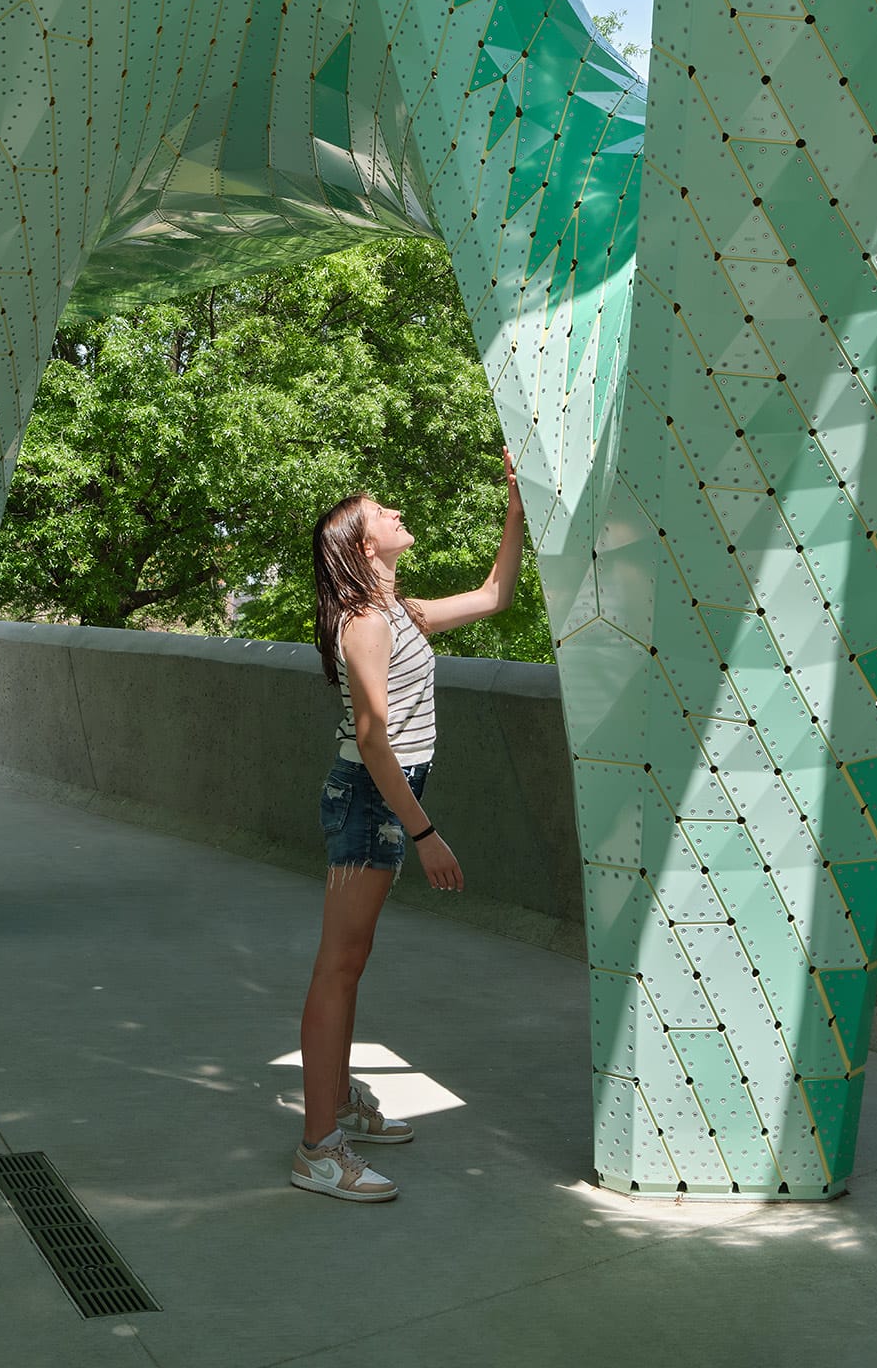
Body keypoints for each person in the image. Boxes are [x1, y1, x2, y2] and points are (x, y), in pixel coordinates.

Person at [289, 447, 527, 1202]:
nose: (395, 512)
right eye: (380, 513)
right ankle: (317, 1149)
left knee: (351, 961)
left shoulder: (401, 612)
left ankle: (338, 1101)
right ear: (364, 547)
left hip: (385, 796)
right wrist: (426, 834)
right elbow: (371, 738)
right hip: (370, 798)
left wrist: (517, 505)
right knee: (338, 965)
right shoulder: (365, 623)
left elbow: (495, 596)